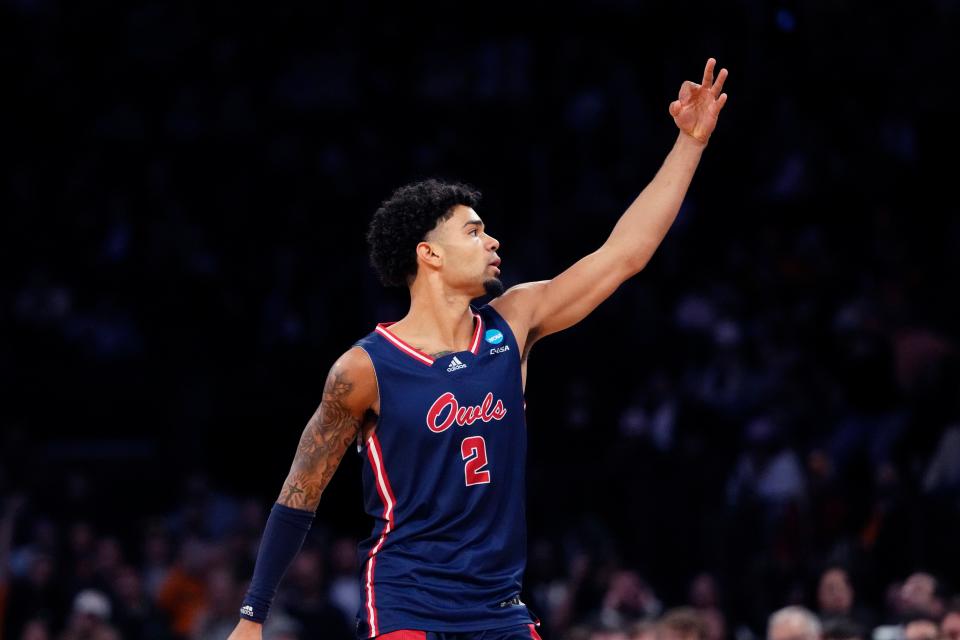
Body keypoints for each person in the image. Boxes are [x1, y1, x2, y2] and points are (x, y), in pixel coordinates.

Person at [227, 57, 730, 640]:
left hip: (498, 606)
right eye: (472, 230)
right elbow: (299, 494)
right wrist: (252, 615)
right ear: (429, 254)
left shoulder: (513, 323)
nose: (492, 240)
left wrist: (689, 144)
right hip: (405, 599)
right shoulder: (364, 368)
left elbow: (625, 254)